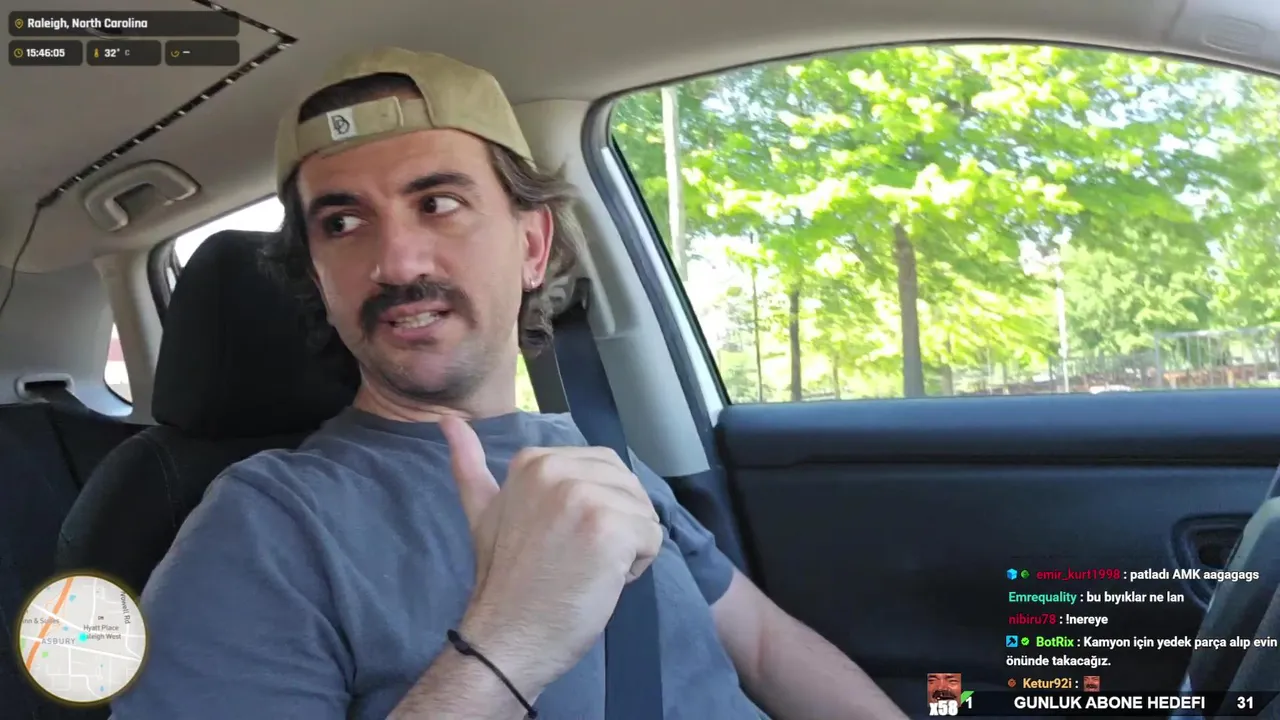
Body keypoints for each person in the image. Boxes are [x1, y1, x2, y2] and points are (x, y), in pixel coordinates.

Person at [110, 47, 908, 720]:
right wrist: (508, 641)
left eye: (438, 202)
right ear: (319, 279)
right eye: (342, 224)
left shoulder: (601, 457)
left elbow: (764, 647)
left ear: (532, 246)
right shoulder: (264, 524)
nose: (397, 261)